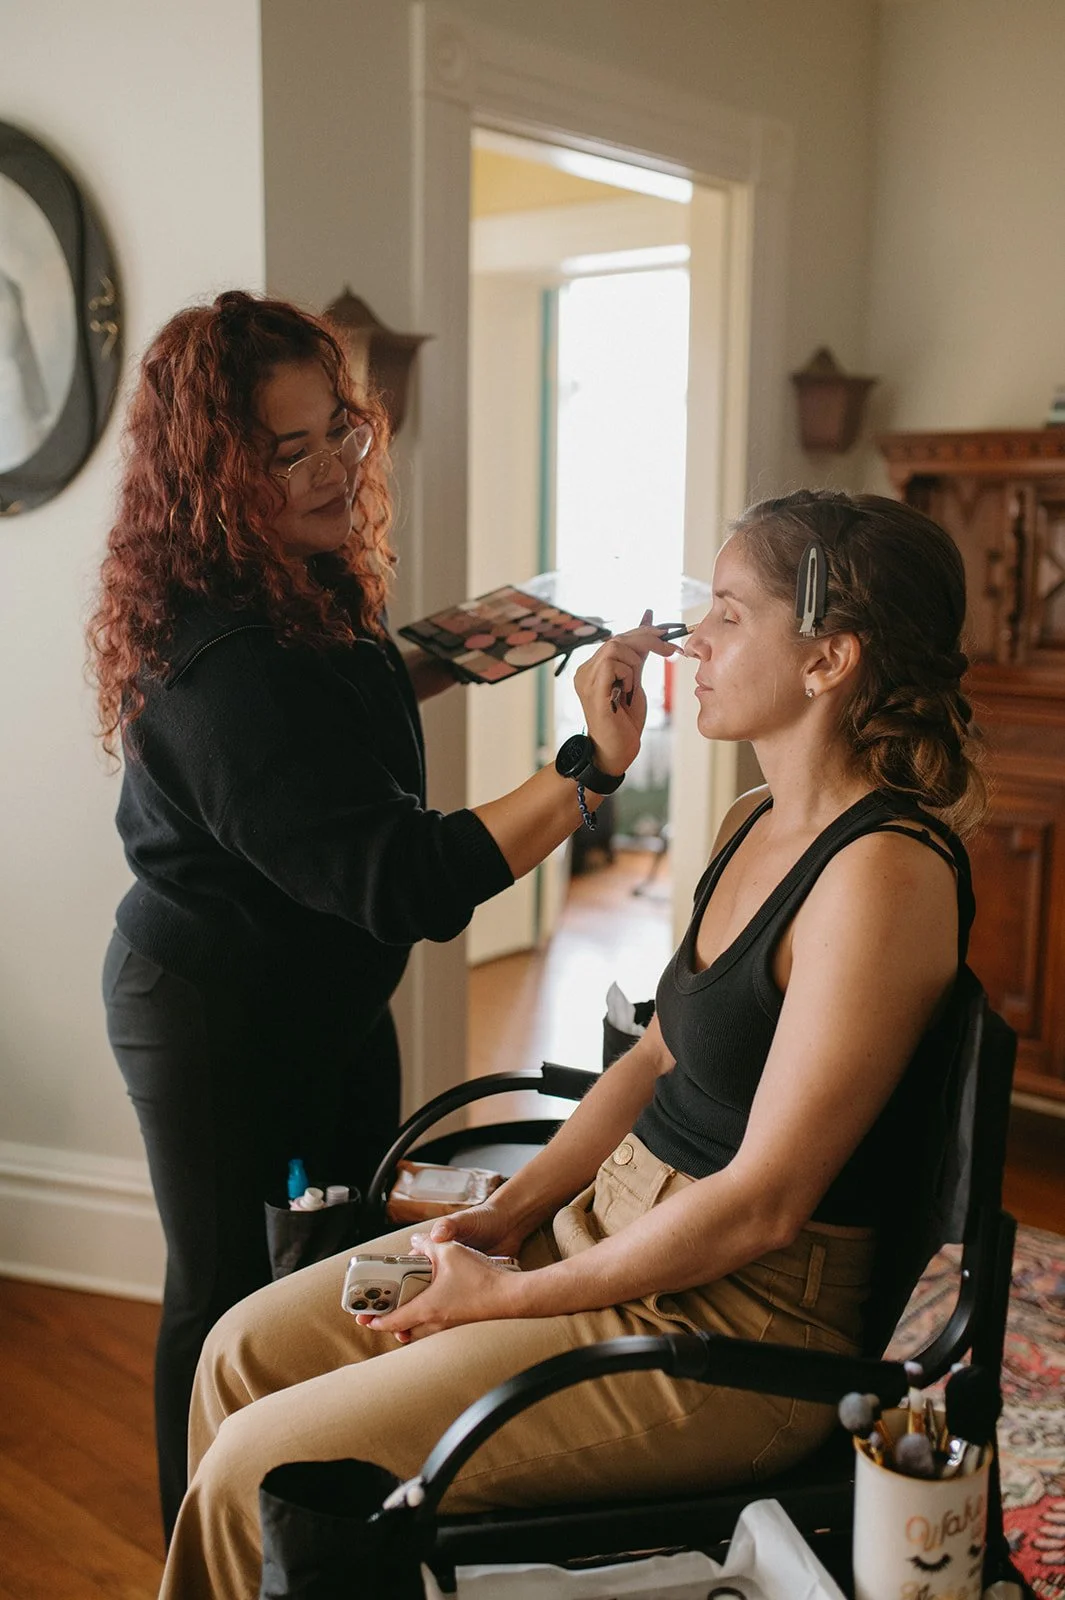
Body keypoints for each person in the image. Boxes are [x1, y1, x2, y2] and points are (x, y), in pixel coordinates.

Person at [156, 488, 986, 1598]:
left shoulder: (884, 875)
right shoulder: (750, 820)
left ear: (829, 657)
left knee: (253, 1467)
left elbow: (761, 1204)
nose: (694, 637)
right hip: (611, 1229)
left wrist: (502, 1298)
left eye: (731, 614)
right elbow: (651, 1060)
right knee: (239, 1351)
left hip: (734, 1323)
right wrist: (506, 1214)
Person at [88, 290, 673, 1542]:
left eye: (336, 434)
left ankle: (325, 1507)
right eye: (282, 452)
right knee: (224, 1290)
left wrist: (471, 644)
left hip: (325, 984)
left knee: (345, 1247)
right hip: (209, 1012)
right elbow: (405, 876)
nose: (326, 472)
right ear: (213, 472)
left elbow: (336, 697)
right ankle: (208, 1541)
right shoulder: (215, 664)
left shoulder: (288, 575)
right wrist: (585, 774)